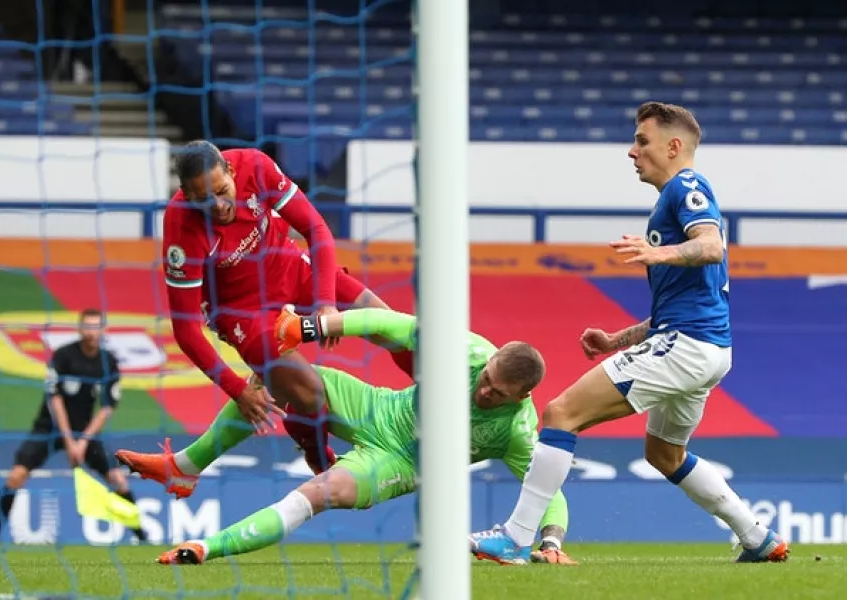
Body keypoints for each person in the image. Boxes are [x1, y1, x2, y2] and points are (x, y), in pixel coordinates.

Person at [469, 101, 790, 565]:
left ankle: (516, 537)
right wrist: (618, 340)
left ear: (673, 146)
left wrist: (659, 254)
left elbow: (711, 245)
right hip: (705, 347)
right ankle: (757, 536)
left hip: (686, 348)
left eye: (642, 140)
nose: (632, 151)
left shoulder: (688, 187)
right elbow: (681, 306)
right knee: (664, 454)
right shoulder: (671, 200)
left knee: (560, 413)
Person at [147, 306, 576, 566]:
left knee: (317, 493)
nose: (484, 391)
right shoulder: (471, 351)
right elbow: (390, 324)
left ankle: (205, 548)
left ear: (523, 396)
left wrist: (552, 540)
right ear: (491, 360)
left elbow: (546, 489)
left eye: (497, 393)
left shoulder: (519, 429)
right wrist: (312, 327)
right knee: (274, 377)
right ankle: (184, 467)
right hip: (376, 406)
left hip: (401, 462)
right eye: (486, 379)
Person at [162, 141, 413, 476]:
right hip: (242, 313)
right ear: (187, 195)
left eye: (223, 190)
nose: (219, 205)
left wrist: (325, 304)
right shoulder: (181, 228)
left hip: (291, 268)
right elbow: (185, 329)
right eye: (204, 200)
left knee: (387, 323)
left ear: (232, 171)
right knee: (309, 393)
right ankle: (314, 449)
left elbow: (316, 229)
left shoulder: (256, 166)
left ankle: (437, 405)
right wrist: (238, 390)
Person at [0, 309, 146, 543]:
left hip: (85, 434)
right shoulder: (63, 356)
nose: (91, 332)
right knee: (16, 476)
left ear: (103, 330)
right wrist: (70, 441)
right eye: (87, 327)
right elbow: (55, 399)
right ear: (80, 329)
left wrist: (83, 441)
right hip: (48, 429)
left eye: (95, 327)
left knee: (117, 479)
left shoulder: (107, 361)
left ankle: (143, 537)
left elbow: (107, 407)